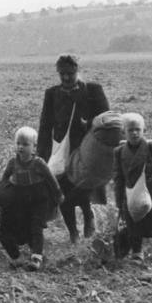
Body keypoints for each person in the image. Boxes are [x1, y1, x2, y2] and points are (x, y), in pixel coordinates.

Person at [37, 55, 110, 243]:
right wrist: (41, 156)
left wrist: (89, 123)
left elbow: (107, 119)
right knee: (62, 192)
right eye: (62, 74)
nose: (67, 78)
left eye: (70, 73)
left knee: (82, 187)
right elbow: (45, 126)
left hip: (87, 151)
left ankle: (88, 215)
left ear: (78, 70)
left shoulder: (92, 90)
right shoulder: (52, 94)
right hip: (61, 152)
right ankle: (73, 233)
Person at [0, 126, 63, 271]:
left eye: (25, 144)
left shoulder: (39, 163)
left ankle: (36, 258)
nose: (20, 147)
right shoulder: (12, 163)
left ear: (34, 147)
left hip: (38, 199)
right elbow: (4, 181)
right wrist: (0, 198)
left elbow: (51, 180)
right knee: (6, 230)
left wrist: (58, 195)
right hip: (20, 199)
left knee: (36, 226)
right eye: (18, 143)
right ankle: (17, 257)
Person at [112, 113, 152, 260]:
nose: (134, 133)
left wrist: (150, 184)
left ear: (143, 131)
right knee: (134, 223)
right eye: (130, 130)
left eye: (138, 130)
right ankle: (137, 252)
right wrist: (119, 200)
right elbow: (118, 178)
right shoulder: (119, 152)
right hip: (131, 193)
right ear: (124, 132)